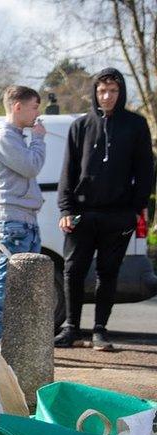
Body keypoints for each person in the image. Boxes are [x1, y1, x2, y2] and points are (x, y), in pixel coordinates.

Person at [55, 68, 155, 351]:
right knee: (73, 271)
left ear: (120, 93)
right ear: (95, 93)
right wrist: (65, 210)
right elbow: (68, 171)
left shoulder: (135, 125)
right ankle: (71, 328)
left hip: (118, 215)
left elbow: (146, 170)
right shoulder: (80, 126)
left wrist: (135, 209)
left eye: (112, 91)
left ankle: (100, 329)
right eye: (101, 91)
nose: (107, 96)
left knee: (108, 273)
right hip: (82, 213)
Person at [0, 86, 47, 352]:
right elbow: (31, 165)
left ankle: (19, 342)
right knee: (8, 280)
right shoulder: (3, 136)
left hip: (25, 219)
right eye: (34, 107)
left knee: (26, 284)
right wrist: (39, 139)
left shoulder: (16, 136)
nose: (37, 114)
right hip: (11, 220)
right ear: (17, 107)